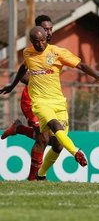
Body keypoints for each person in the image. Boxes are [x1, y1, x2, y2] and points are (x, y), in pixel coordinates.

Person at [2, 26, 99, 180]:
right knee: (53, 127)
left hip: (58, 101)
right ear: (31, 42)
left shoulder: (57, 52)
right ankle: (76, 152)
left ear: (45, 39)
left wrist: (98, 77)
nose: (39, 44)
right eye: (36, 42)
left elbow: (80, 65)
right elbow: (23, 68)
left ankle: (41, 174)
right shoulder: (28, 53)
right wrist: (12, 86)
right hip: (40, 102)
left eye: (41, 41)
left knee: (58, 145)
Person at [0, 15, 62, 181]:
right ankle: (33, 179)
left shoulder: (53, 51)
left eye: (50, 29)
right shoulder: (32, 51)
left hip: (50, 100)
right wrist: (40, 78)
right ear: (37, 31)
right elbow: (22, 74)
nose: (48, 33)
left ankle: (19, 129)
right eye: (44, 29)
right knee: (43, 138)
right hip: (33, 99)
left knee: (57, 144)